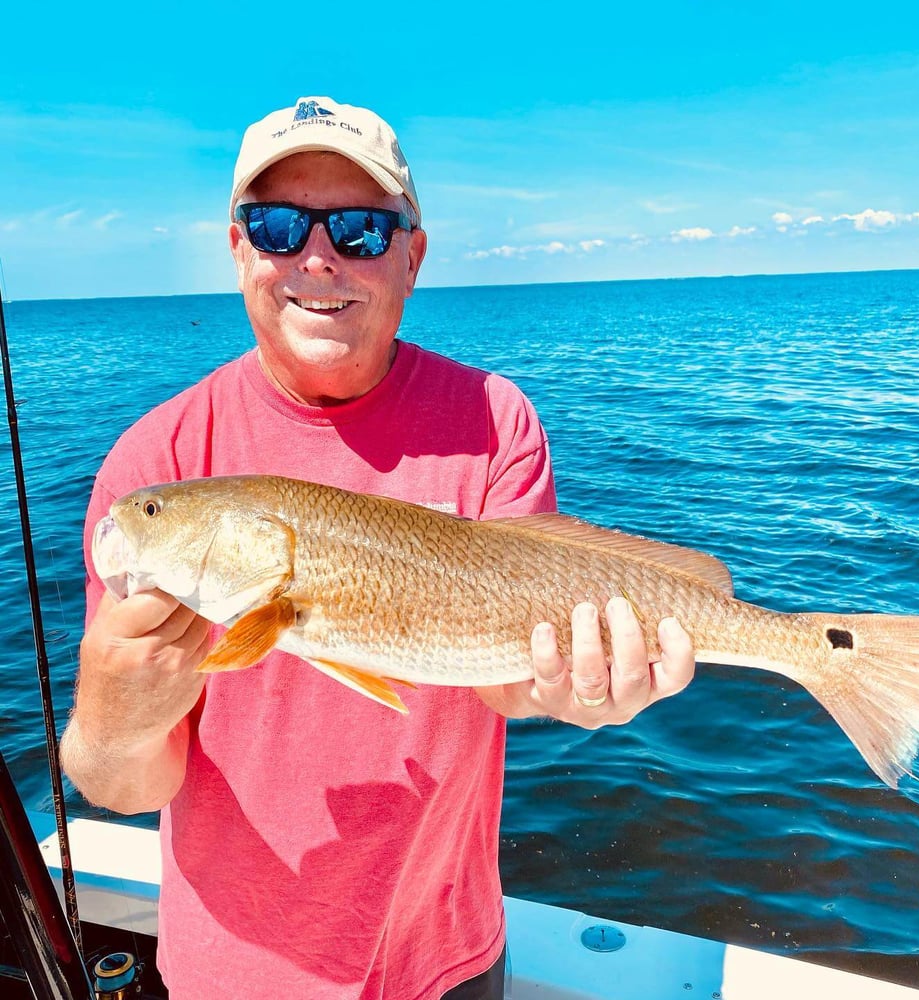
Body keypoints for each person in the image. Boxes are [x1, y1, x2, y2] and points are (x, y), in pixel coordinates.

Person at [60, 96, 695, 1000]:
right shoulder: (157, 458)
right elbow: (122, 786)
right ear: (238, 248)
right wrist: (117, 714)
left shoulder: (494, 418)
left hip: (451, 957)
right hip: (238, 976)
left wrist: (583, 689)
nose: (316, 257)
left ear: (412, 257)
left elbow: (505, 682)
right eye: (277, 225)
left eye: (360, 229)